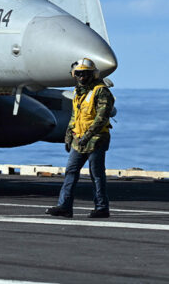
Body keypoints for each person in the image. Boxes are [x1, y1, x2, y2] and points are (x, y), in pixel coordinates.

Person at [45, 58, 114, 219]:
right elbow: (75, 116)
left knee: (96, 174)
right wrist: (69, 134)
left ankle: (102, 208)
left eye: (85, 74)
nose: (82, 77)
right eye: (79, 74)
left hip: (96, 139)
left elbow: (101, 118)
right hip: (79, 139)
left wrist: (87, 136)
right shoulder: (77, 92)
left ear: (92, 74)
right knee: (71, 171)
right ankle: (64, 207)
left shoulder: (101, 92)